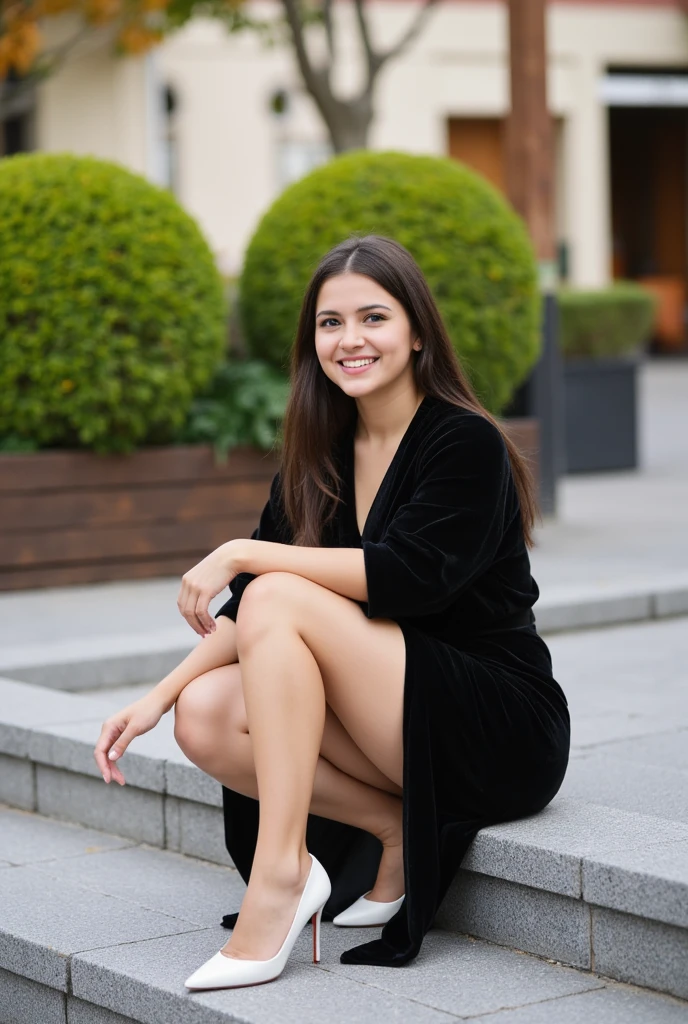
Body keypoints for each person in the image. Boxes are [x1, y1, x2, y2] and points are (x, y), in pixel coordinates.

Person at [94, 233, 570, 992]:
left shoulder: (465, 442)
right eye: (329, 323)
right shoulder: (318, 455)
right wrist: (154, 698)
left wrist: (246, 554)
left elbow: (408, 579)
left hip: (496, 724)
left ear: (417, 332)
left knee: (279, 586)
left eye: (373, 318)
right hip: (392, 711)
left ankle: (281, 876)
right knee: (206, 712)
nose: (350, 340)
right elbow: (256, 609)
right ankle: (389, 828)